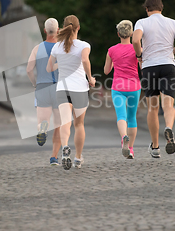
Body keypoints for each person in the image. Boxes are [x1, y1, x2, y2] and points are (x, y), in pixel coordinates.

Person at [132, 0, 175, 158]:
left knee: (153, 108)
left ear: (147, 9)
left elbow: (136, 40)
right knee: (168, 104)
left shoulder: (142, 22)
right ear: (161, 8)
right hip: (168, 66)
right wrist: (170, 51)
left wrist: (139, 55)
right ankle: (168, 127)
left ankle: (155, 147)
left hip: (149, 67)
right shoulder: (172, 22)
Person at [47, 15, 96, 170]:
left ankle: (65, 147)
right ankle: (78, 158)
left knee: (65, 122)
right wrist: (90, 78)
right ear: (78, 27)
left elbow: (49, 68)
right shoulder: (84, 45)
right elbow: (85, 60)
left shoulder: (57, 46)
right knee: (79, 124)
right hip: (79, 88)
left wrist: (59, 66)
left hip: (62, 88)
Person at [104, 20, 141, 159]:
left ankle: (124, 136)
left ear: (118, 33)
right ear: (131, 33)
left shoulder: (111, 50)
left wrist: (114, 62)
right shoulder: (137, 49)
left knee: (121, 116)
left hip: (118, 87)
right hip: (134, 87)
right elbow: (143, 67)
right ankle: (130, 148)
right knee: (132, 118)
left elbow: (106, 71)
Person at [26, 18, 61, 166]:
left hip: (42, 87)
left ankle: (42, 128)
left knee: (42, 121)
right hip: (58, 88)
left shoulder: (36, 48)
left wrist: (35, 83)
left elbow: (28, 70)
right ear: (58, 30)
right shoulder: (61, 48)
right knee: (59, 125)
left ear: (45, 31)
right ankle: (54, 157)